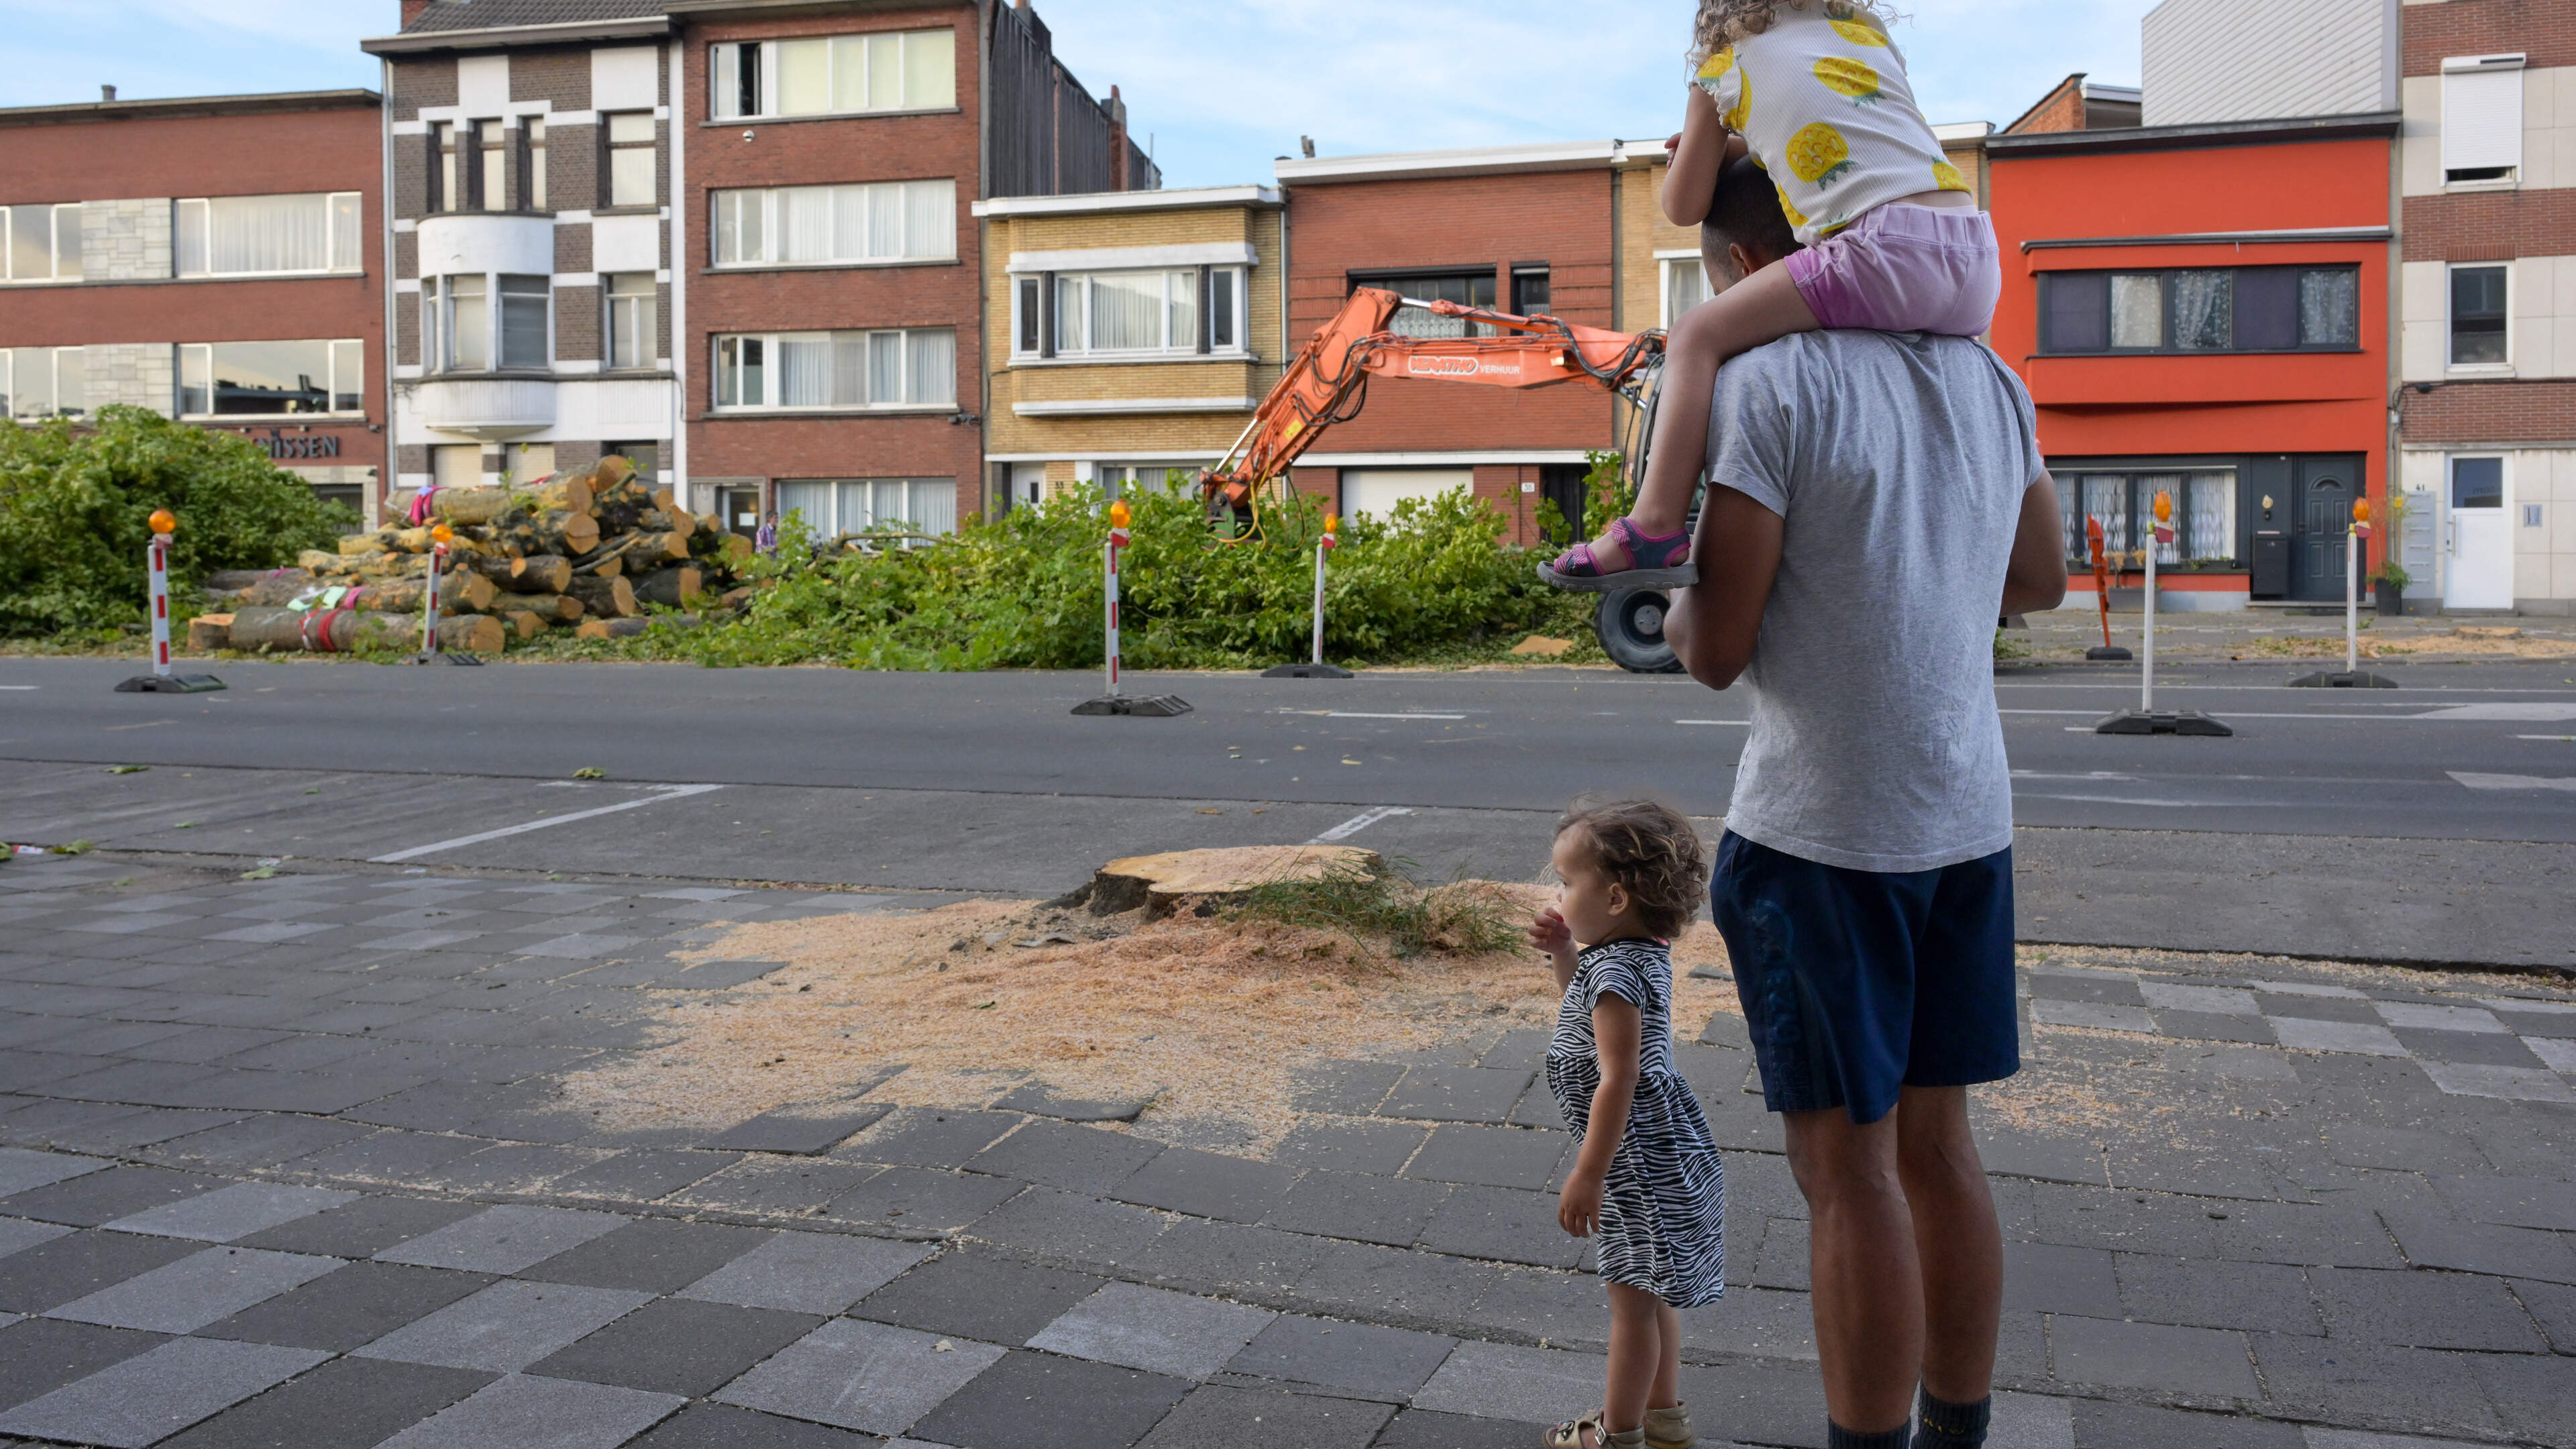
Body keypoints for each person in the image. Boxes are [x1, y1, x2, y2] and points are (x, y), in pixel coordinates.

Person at [1659, 137, 2068, 1449]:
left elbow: (1718, 653)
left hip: (1824, 835)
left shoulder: (1766, 384)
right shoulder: (1989, 377)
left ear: (1739, 261)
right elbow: (2041, 579)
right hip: (1967, 822)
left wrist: (1672, 609)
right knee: (1941, 1152)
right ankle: (1959, 1433)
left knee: (1850, 1176)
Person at [1542, 0, 2000, 592]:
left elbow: (1682, 207)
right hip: (1974, 256)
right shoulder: (1862, 33)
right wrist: (1742, 144)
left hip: (1885, 251)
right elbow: (1852, 139)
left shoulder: (1723, 63)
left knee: (1695, 335)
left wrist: (1697, 151)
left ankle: (1654, 524)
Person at [1529, 798, 1725, 1449]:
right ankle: (1665, 1417)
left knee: (1629, 1305)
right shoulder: (1633, 953)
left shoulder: (1614, 967)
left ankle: (1617, 1435)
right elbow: (1585, 1013)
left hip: (1633, 1162)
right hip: (1654, 1150)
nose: (1558, 895)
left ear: (1614, 898)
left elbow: (1620, 1076)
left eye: (1566, 882)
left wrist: (1588, 1173)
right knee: (1650, 1290)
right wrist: (1564, 953)